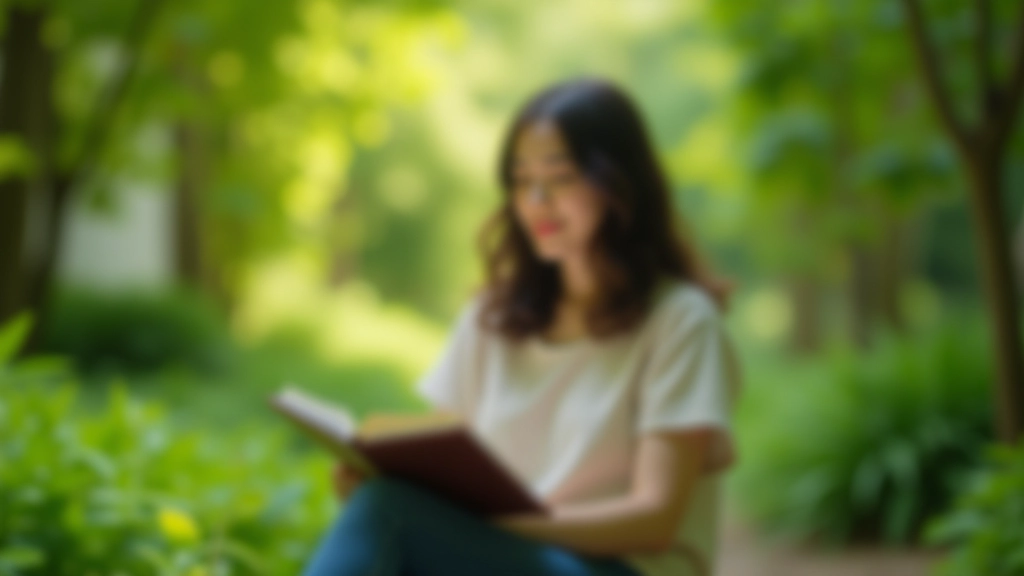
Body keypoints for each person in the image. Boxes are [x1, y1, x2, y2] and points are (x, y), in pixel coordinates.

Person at [301, 77, 742, 576]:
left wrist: (491, 523)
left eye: (560, 178)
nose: (535, 199)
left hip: (621, 569)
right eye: (520, 180)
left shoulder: (680, 321)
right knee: (386, 503)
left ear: (620, 184)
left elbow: (654, 520)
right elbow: (447, 470)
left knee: (391, 512)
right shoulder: (492, 318)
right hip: (513, 558)